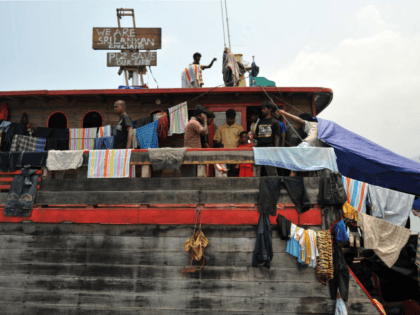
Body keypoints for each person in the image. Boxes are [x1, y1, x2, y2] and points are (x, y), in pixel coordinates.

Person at [255, 101, 281, 176]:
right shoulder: (260, 122)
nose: (262, 110)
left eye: (264, 109)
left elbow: (276, 137)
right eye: (262, 109)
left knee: (271, 170)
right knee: (258, 170)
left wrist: (276, 150)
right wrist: (251, 135)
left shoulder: (275, 122)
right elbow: (257, 135)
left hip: (270, 148)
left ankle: (274, 185)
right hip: (259, 148)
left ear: (269, 110)